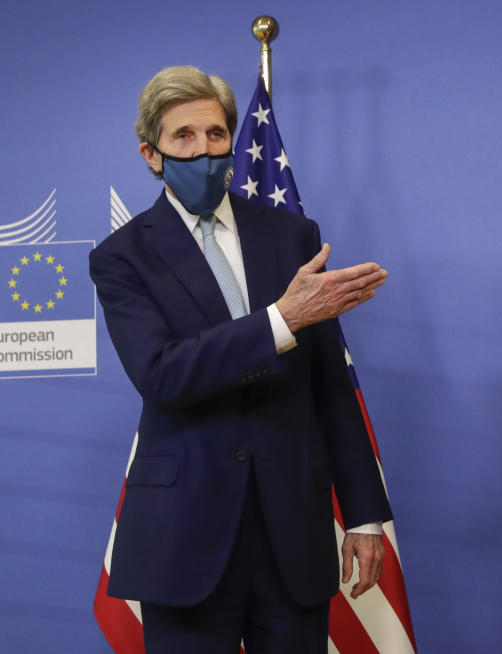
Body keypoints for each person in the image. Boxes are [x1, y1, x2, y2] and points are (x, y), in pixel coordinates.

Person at [89, 66, 392, 653]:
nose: (203, 151)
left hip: (292, 534)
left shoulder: (294, 235)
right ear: (151, 154)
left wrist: (362, 514)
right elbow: (162, 374)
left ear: (231, 142)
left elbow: (330, 383)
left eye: (215, 135)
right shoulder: (121, 257)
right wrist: (282, 321)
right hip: (184, 539)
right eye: (183, 137)